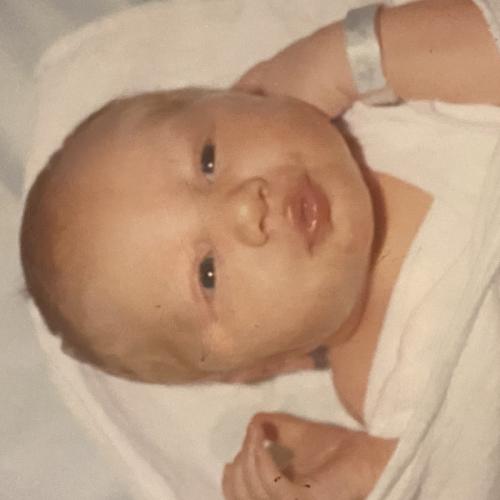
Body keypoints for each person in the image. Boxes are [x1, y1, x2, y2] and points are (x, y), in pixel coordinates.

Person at [19, 0, 500, 499]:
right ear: (266, 366)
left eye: (208, 161)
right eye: (208, 274)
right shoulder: (382, 389)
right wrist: (376, 471)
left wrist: (342, 60)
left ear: (244, 95)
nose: (246, 208)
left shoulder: (388, 107)